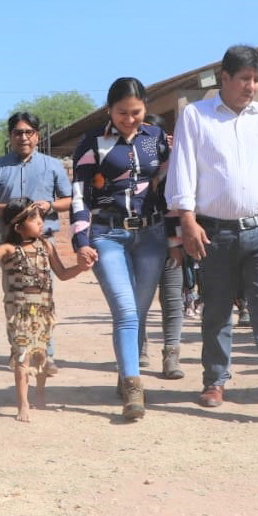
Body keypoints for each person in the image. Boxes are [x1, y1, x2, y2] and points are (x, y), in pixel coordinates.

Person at [166, 45, 258, 422]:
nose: (252, 86)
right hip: (213, 231)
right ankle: (215, 380)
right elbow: (182, 168)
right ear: (225, 78)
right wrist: (187, 219)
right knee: (216, 309)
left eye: (257, 80)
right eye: (245, 79)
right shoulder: (196, 117)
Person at [71, 78, 176, 420]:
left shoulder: (157, 140)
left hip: (151, 236)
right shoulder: (92, 142)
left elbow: (170, 188)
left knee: (139, 312)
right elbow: (79, 194)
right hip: (107, 235)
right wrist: (81, 240)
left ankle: (125, 368)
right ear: (109, 110)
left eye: (136, 112)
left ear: (146, 109)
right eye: (121, 113)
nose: (129, 119)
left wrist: (173, 237)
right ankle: (134, 386)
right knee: (126, 312)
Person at [0, 198, 86, 422]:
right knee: (22, 356)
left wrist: (81, 267)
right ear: (17, 226)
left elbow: (63, 273)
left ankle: (39, 394)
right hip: (19, 314)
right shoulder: (9, 249)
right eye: (33, 218)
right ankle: (23, 404)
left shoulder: (46, 246)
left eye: (41, 218)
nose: (40, 223)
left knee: (41, 354)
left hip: (44, 312)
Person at [0, 112, 72, 374]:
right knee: (15, 299)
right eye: (18, 132)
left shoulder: (52, 165)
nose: (24, 137)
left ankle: (45, 353)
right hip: (10, 247)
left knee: (43, 299)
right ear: (10, 137)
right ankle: (19, 349)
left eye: (29, 132)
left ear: (37, 136)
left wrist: (49, 205)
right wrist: (10, 211)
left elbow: (68, 199)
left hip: (43, 243)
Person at [137, 114, 185, 380]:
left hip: (170, 243)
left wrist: (176, 243)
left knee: (172, 299)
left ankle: (171, 356)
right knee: (139, 300)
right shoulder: (131, 167)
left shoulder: (175, 166)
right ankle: (139, 349)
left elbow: (179, 206)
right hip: (140, 243)